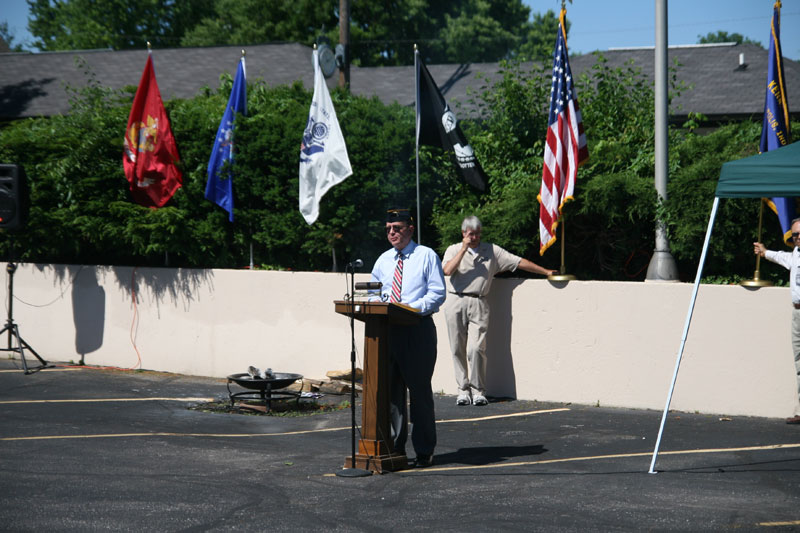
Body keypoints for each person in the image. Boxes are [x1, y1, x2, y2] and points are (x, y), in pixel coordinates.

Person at [443, 215, 556, 406]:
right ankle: (463, 390)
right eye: (471, 234)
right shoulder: (453, 249)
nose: (475, 237)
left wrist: (545, 271)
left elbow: (518, 262)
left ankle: (478, 390)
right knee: (456, 348)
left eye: (478, 233)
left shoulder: (492, 251)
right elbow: (447, 270)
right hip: (455, 299)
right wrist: (464, 248)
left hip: (479, 301)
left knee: (476, 348)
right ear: (463, 234)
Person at [369, 208, 446, 467]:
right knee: (392, 395)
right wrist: (380, 304)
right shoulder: (383, 260)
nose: (392, 233)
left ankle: (424, 450)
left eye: (398, 228)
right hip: (388, 331)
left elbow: (437, 293)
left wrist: (410, 309)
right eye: (389, 229)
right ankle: (396, 448)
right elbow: (373, 293)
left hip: (417, 329)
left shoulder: (426, 256)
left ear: (410, 229)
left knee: (420, 392)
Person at [754, 216, 800, 424]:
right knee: (799, 362)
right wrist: (764, 253)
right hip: (797, 313)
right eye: (794, 235)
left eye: (799, 234)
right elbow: (783, 258)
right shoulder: (796, 254)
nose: (796, 238)